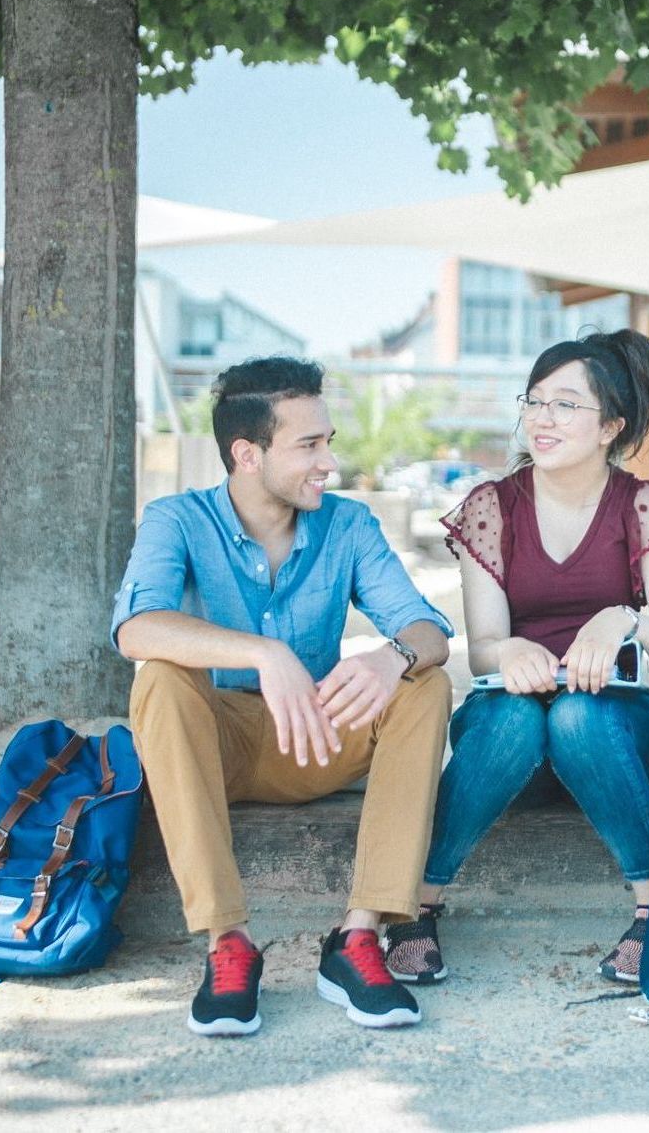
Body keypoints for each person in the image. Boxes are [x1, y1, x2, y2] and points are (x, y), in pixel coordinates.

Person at [112, 356, 453, 1035]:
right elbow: (137, 627)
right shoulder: (176, 519)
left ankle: (358, 938)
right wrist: (263, 653)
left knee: (427, 682)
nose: (328, 460)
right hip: (221, 743)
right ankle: (227, 943)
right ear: (247, 454)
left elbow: (428, 628)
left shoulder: (348, 525)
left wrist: (394, 654)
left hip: (320, 736)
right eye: (309, 445)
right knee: (160, 679)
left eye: (327, 440)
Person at [381, 329, 649, 986]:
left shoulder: (642, 506)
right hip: (511, 740)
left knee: (578, 717)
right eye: (535, 401)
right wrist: (512, 648)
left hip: (614, 733)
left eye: (565, 405)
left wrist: (626, 618)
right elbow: (481, 651)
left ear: (611, 425)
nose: (541, 419)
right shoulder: (490, 508)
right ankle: (417, 907)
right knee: (520, 720)